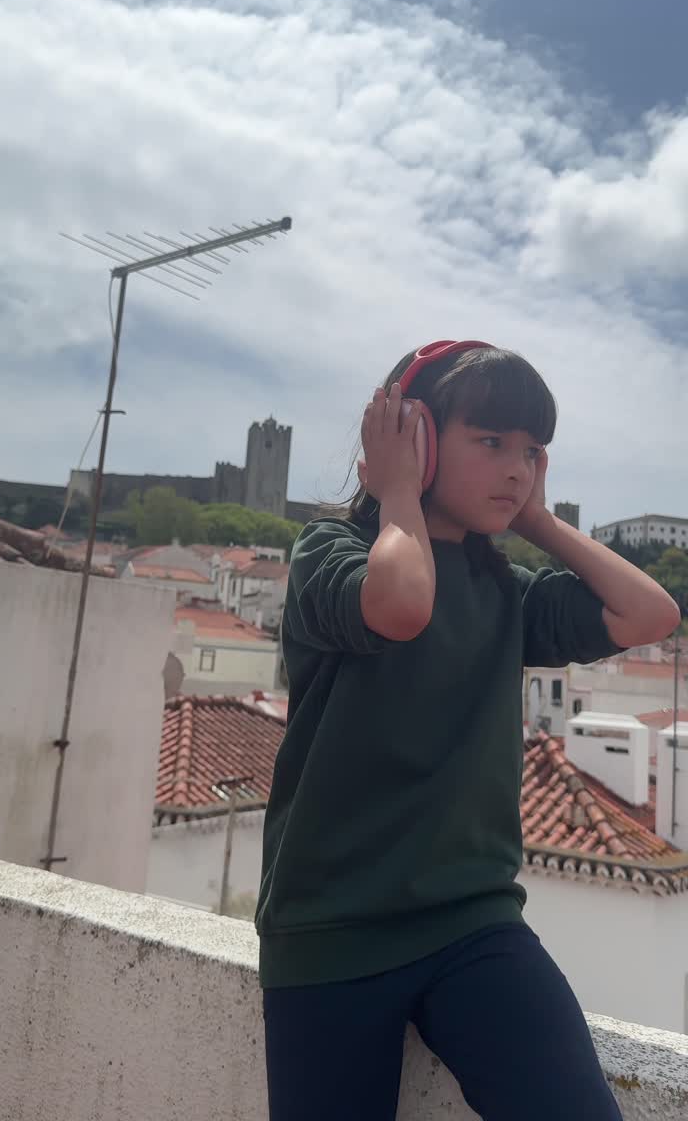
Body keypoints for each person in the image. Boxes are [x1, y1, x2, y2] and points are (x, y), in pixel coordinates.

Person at [255, 340, 680, 1121]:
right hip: (331, 929)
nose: (518, 467)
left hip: (473, 923)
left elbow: (651, 614)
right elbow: (402, 605)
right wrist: (398, 497)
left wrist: (541, 523)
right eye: (492, 442)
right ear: (410, 435)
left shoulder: (505, 591)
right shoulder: (328, 551)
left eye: (533, 450)